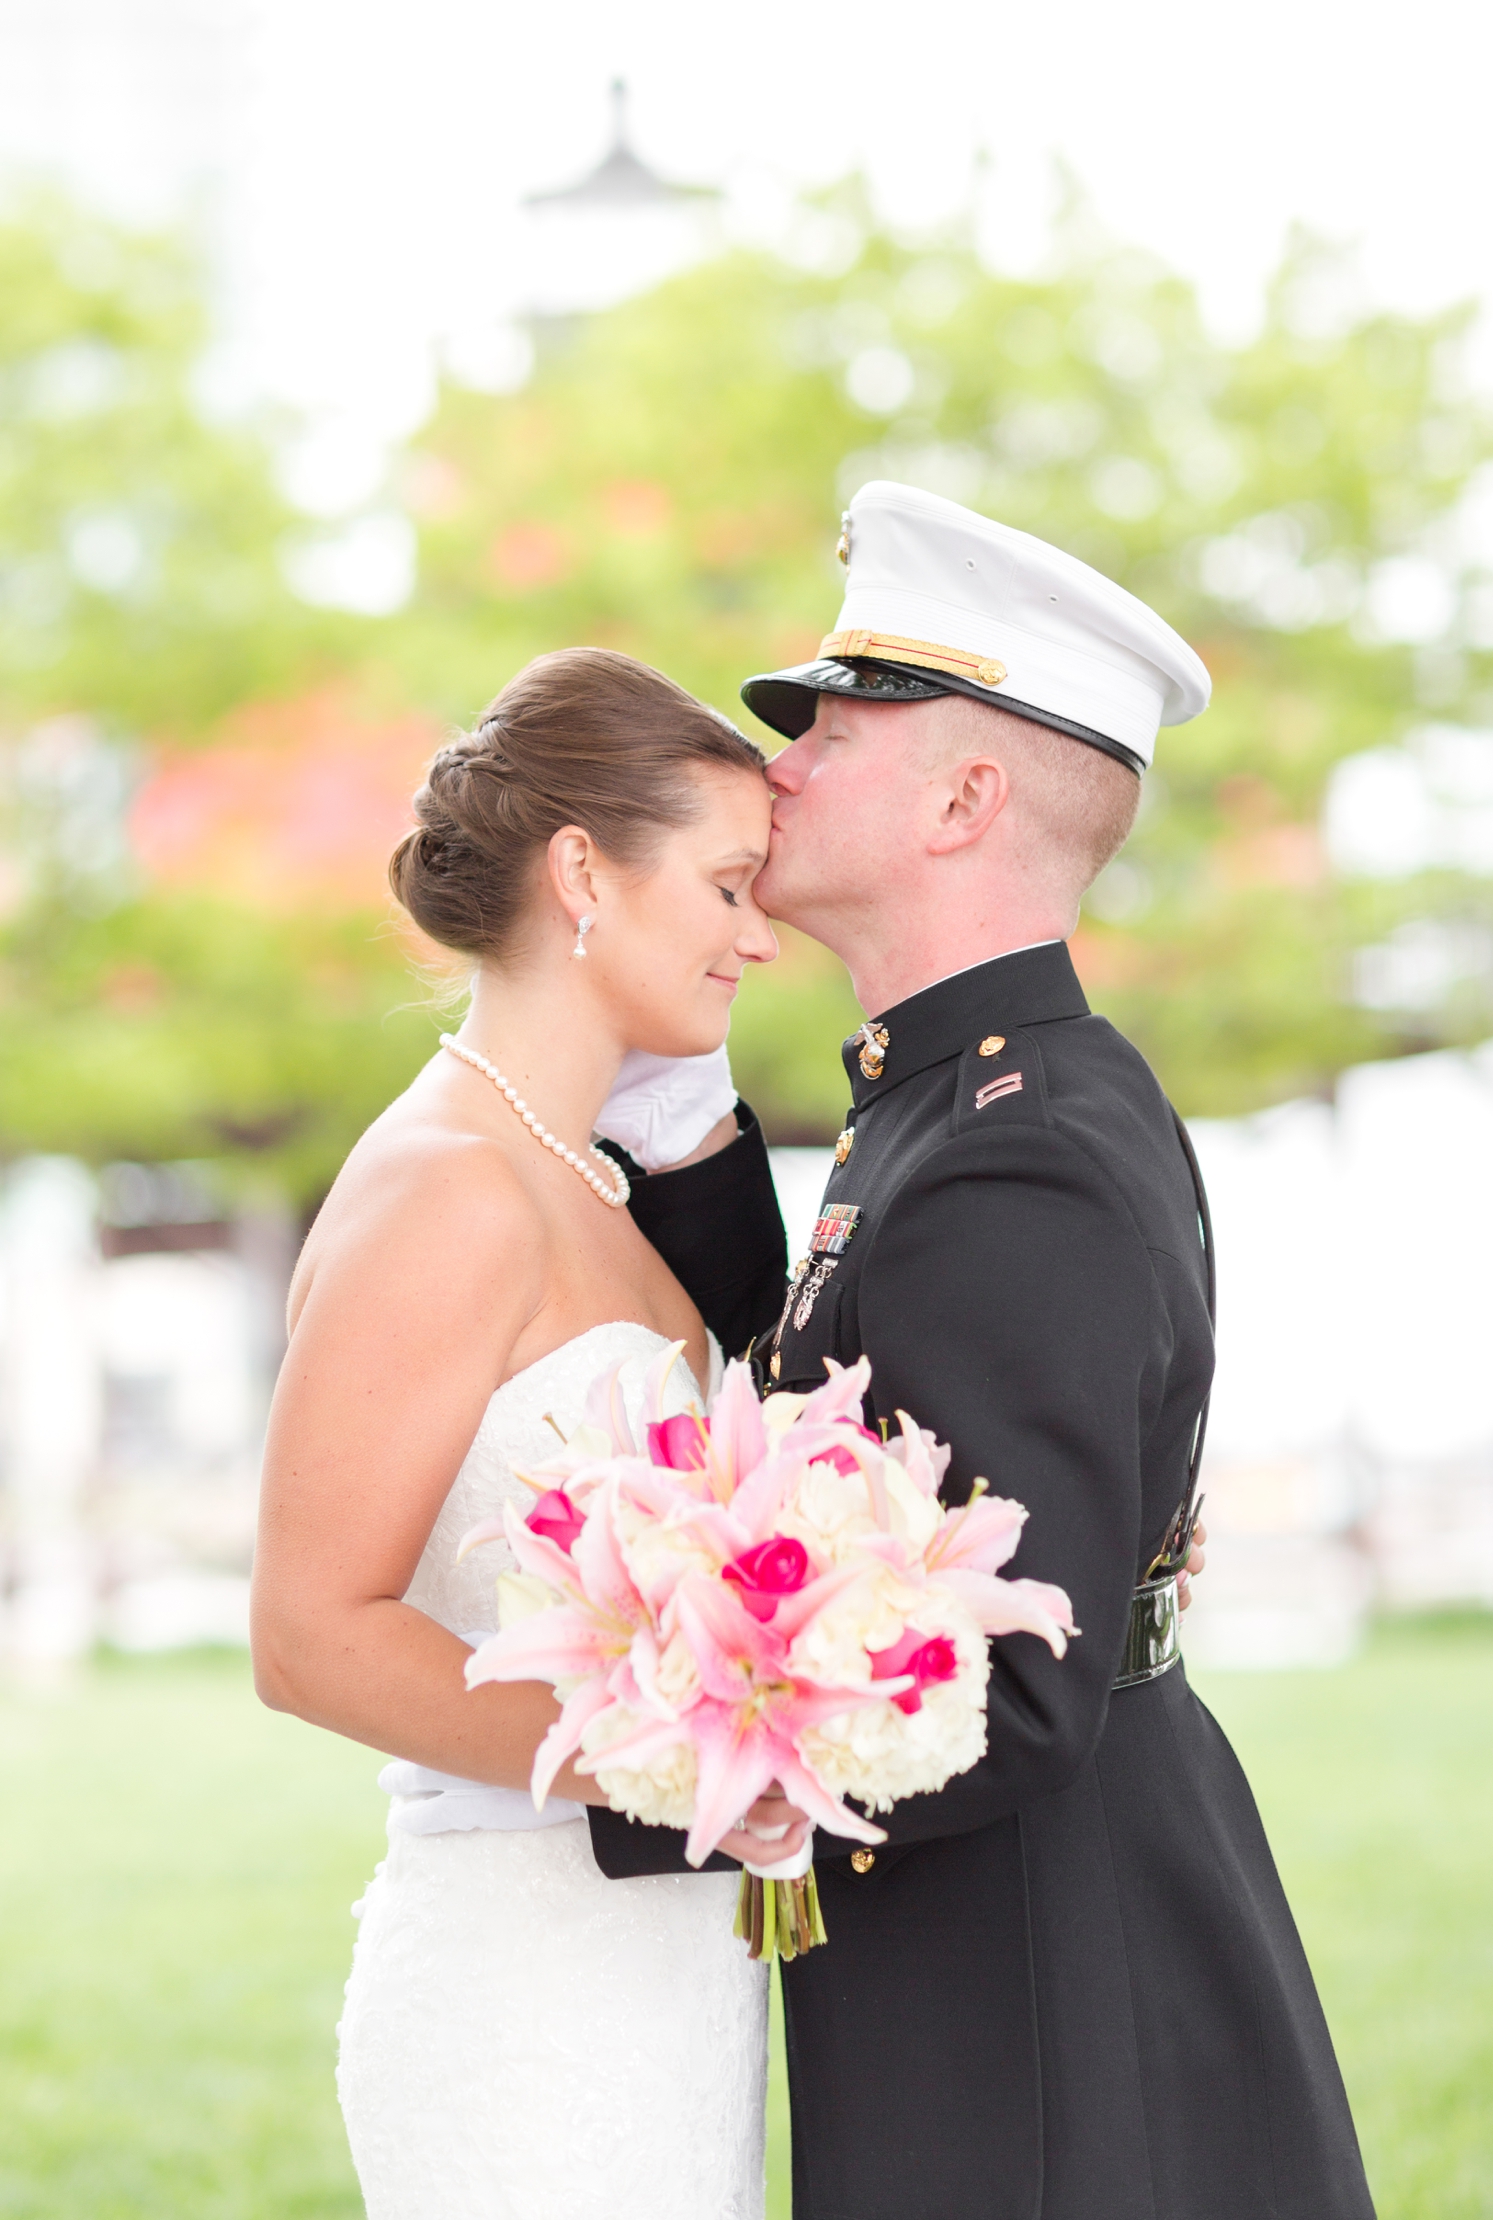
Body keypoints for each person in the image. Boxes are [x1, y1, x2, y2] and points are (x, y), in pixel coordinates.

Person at [588, 482, 1376, 2220]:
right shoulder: (967, 1094)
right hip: (1020, 1928)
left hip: (1035, 1995)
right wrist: (698, 1168)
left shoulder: (1013, 1145)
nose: (777, 759)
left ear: (965, 797)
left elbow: (1010, 1698)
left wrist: (623, 1778)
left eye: (837, 721)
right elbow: (883, 1409)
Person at [249, 648, 807, 2219]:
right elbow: (305, 1633)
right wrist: (669, 1754)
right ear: (583, 873)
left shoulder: (583, 1171)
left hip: (666, 1983)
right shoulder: (446, 1187)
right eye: (726, 885)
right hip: (524, 2001)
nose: (760, 934)